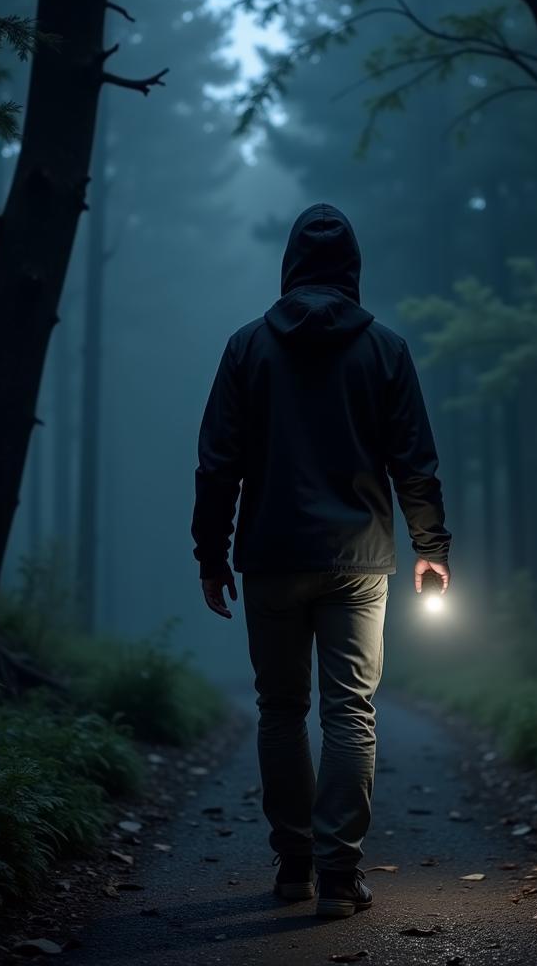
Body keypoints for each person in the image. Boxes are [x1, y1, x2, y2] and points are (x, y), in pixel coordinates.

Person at [191, 202, 451, 919]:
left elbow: (217, 465)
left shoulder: (247, 348)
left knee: (279, 709)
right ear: (352, 270)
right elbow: (415, 463)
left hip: (271, 556)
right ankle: (339, 877)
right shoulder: (387, 350)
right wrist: (431, 548)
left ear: (291, 265)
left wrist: (210, 556)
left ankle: (294, 866)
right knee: (350, 712)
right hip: (360, 561)